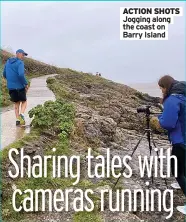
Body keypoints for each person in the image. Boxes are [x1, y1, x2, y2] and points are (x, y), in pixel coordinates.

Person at [158, 75, 186, 214]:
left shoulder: (172, 99)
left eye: (161, 88)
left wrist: (159, 118)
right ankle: (181, 182)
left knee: (177, 170)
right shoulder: (183, 95)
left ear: (165, 86)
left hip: (181, 141)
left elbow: (168, 123)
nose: (161, 91)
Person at [3, 49, 29, 126]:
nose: (23, 56)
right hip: (19, 86)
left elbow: (4, 74)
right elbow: (21, 75)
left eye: (24, 55)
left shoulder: (8, 62)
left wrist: (11, 80)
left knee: (16, 103)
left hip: (11, 87)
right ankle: (21, 114)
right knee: (24, 101)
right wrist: (25, 83)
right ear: (18, 54)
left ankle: (18, 120)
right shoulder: (20, 62)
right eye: (23, 54)